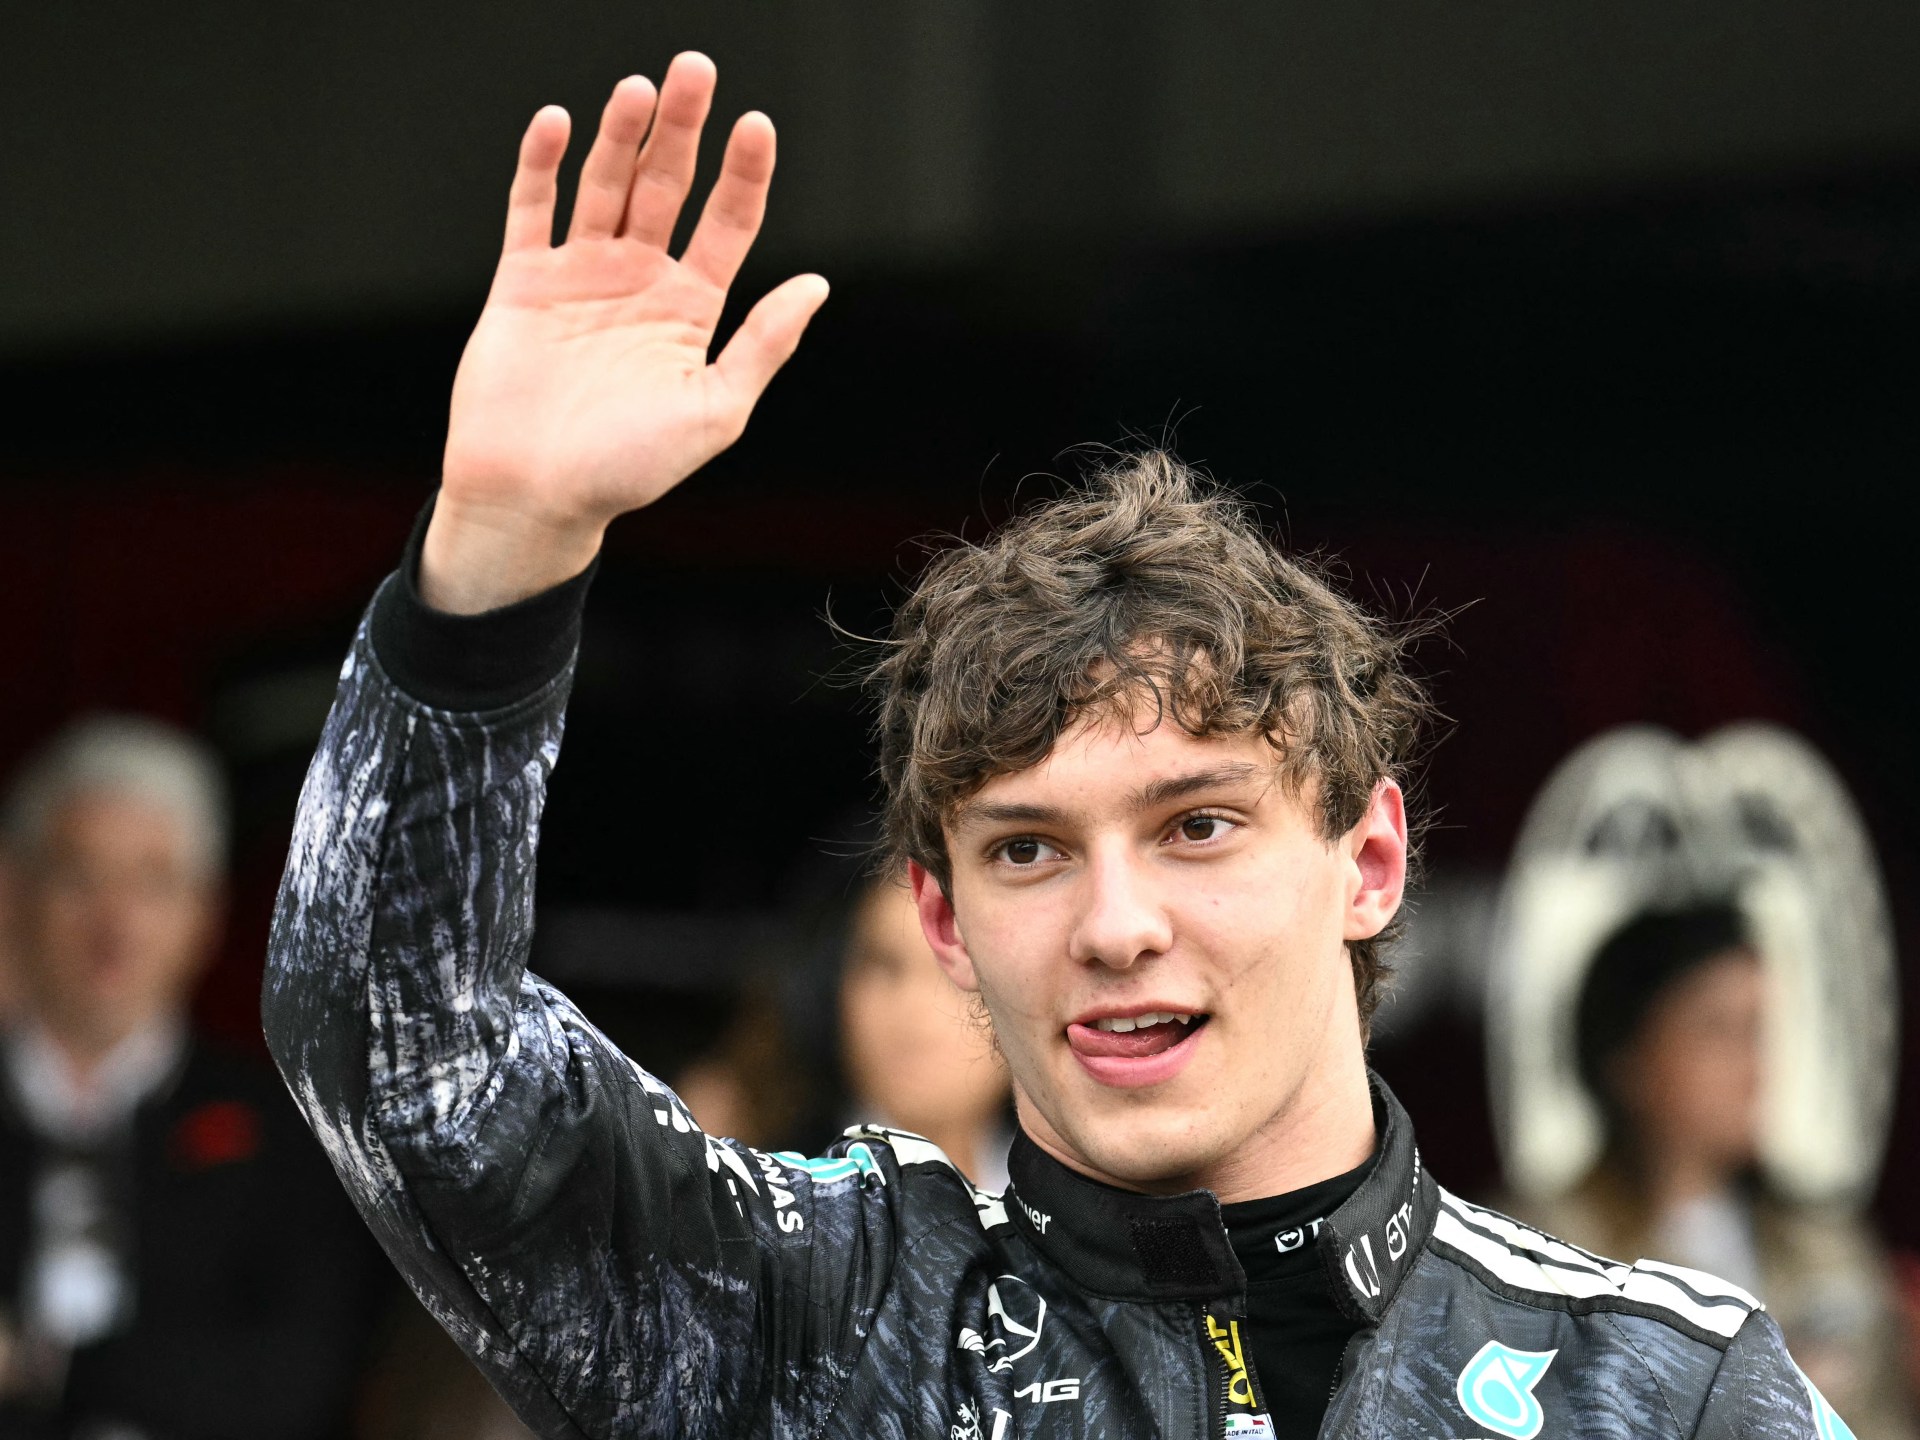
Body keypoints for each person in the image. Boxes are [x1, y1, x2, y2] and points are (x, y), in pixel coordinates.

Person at [262, 53, 1854, 1440]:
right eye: (1027, 849)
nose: (1115, 923)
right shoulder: (812, 1319)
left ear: (1369, 861)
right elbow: (408, 1060)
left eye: (1197, 825)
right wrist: (499, 553)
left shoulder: (1656, 1390)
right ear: (943, 920)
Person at [0, 716, 380, 1440]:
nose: (115, 924)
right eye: (81, 876)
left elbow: (302, 1378)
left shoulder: (286, 1132)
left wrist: (43, 1363)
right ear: (16, 894)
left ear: (205, 915)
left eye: (153, 883)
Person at [836, 869, 1012, 1190]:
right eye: (886, 966)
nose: (913, 1011)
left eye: (957, 975)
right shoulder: (768, 1195)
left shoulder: (1068, 1206)